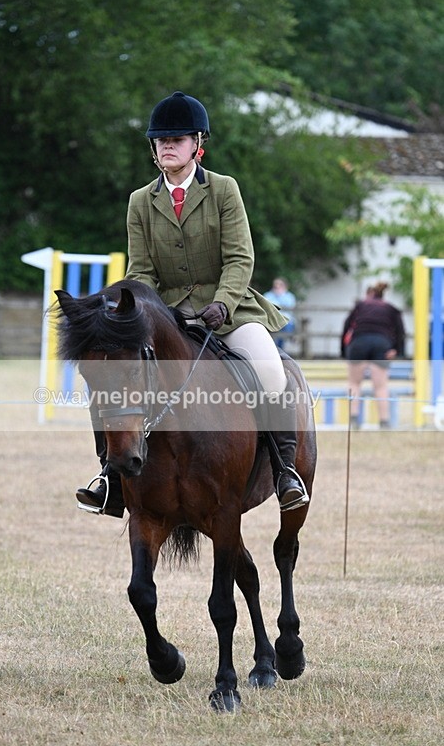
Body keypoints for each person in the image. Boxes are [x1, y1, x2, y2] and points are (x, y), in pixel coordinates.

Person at [77, 91, 309, 516]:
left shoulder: (223, 190)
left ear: (197, 143)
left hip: (228, 311)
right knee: (110, 373)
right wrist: (136, 310)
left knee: (270, 371)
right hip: (166, 315)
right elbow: (142, 269)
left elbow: (240, 258)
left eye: (177, 139)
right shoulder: (140, 201)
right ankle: (110, 476)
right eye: (161, 140)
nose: (167, 145)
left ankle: (284, 470)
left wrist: (223, 302)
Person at [341, 281, 405, 429]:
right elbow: (400, 331)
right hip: (382, 343)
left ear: (368, 294)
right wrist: (397, 350)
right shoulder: (391, 309)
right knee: (381, 386)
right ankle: (384, 421)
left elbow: (346, 326)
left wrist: (344, 351)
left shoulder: (360, 305)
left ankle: (354, 419)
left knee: (354, 383)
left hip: (359, 343)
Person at [263, 278, 297, 349]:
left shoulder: (289, 296)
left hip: (286, 320)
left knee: (287, 327)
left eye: (280, 285)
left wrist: (280, 296)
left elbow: (290, 305)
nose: (277, 286)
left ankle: (281, 346)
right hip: (272, 320)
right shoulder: (268, 295)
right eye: (276, 285)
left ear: (284, 286)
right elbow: (267, 305)